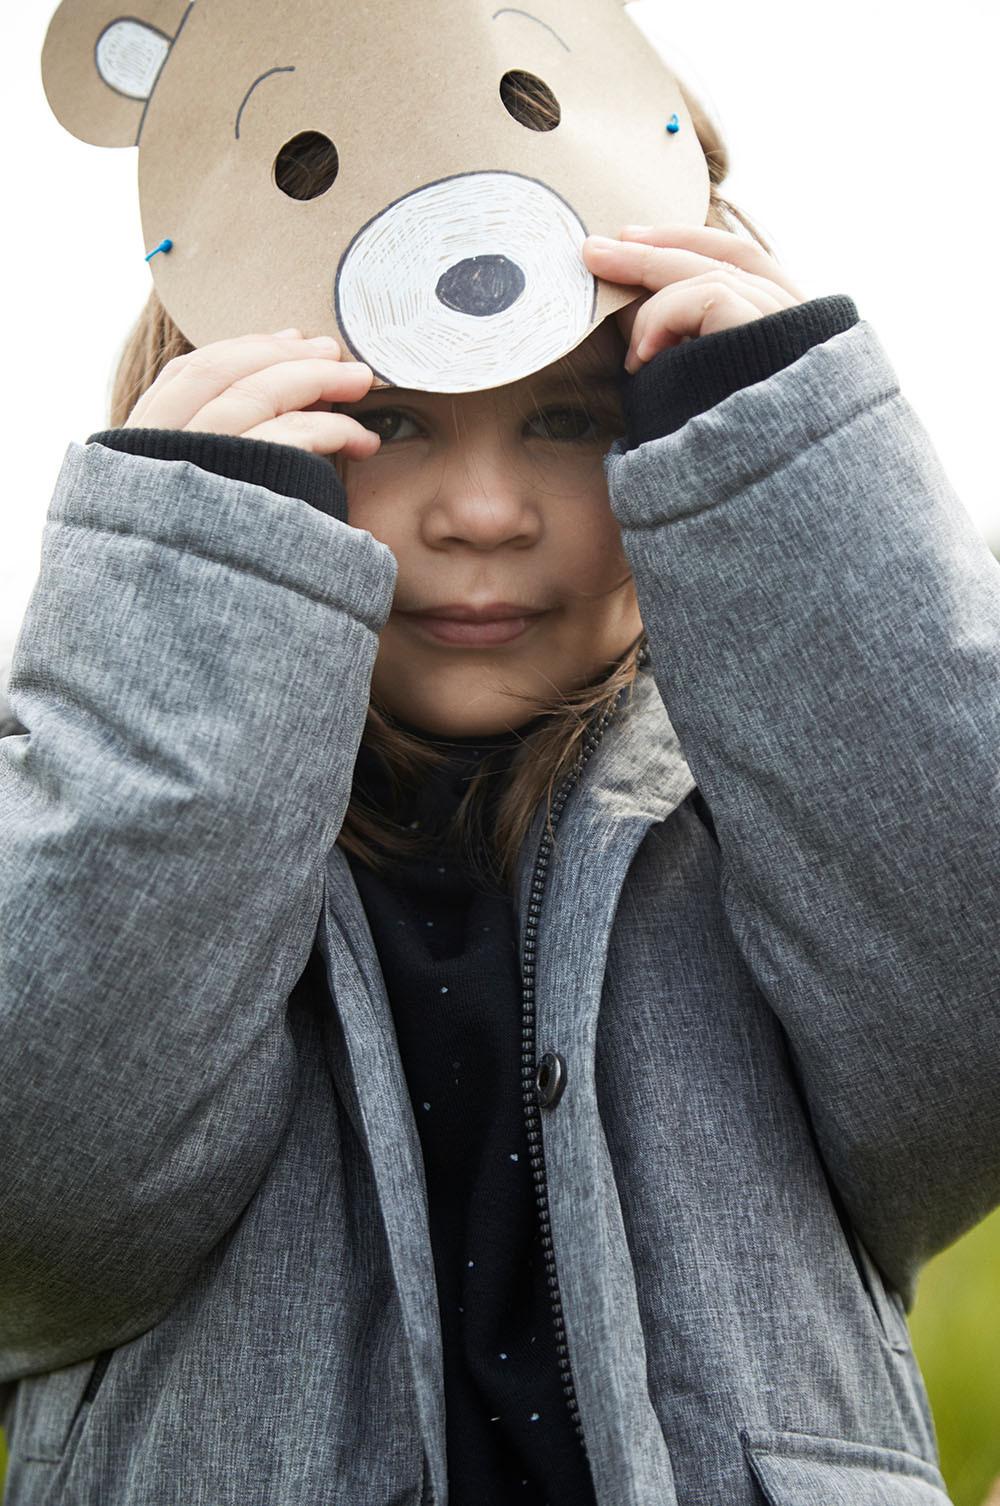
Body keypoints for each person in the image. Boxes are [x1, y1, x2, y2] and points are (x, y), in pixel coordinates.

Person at [1, 85, 998, 1506]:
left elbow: (974, 1026)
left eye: (569, 418)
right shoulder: (70, 811)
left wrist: (798, 473)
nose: (482, 507)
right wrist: (194, 597)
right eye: (391, 415)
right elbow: (43, 1204)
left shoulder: (778, 842)